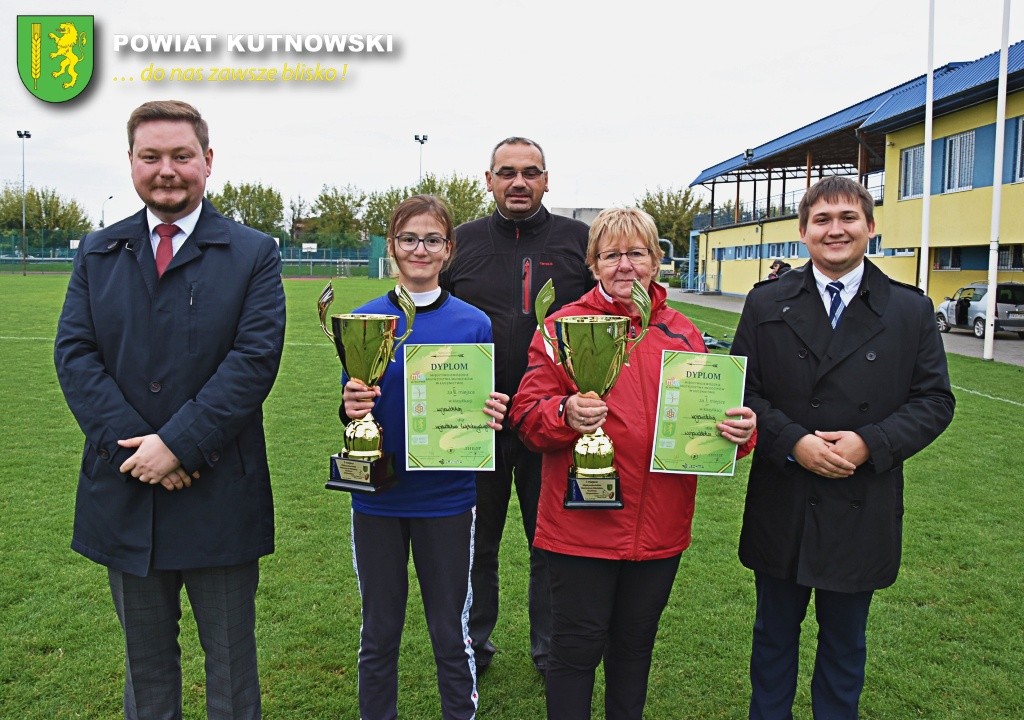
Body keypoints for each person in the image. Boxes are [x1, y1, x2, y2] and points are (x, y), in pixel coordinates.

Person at [53, 100, 285, 719]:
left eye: (181, 156)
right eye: (150, 156)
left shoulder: (253, 252)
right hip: (127, 493)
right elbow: (75, 355)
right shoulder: (98, 251)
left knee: (232, 674)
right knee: (146, 672)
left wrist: (179, 444)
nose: (167, 170)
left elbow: (254, 360)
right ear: (130, 163)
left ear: (207, 161)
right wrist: (143, 447)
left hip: (219, 498)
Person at [509, 207, 757, 719]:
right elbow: (527, 416)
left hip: (660, 526)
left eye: (637, 253)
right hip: (581, 525)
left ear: (657, 261)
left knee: (633, 649)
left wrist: (740, 434)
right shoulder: (563, 326)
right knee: (575, 651)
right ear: (594, 264)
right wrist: (564, 412)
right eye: (611, 254)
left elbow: (706, 422)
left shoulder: (683, 333)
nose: (625, 265)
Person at [730, 176, 955, 720]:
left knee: (845, 647)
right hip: (783, 499)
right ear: (803, 232)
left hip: (863, 504)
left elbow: (934, 401)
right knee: (773, 641)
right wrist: (793, 443)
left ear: (870, 228)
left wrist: (869, 443)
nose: (836, 230)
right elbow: (742, 389)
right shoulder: (766, 304)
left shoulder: (910, 311)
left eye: (848, 218)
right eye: (823, 220)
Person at [341, 195, 510, 720]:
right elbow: (351, 413)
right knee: (380, 631)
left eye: (432, 239)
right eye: (409, 238)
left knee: (448, 630)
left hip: (448, 499)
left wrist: (490, 411)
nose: (420, 248)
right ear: (392, 246)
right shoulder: (365, 319)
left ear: (449, 250)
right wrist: (349, 408)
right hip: (379, 499)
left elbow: (479, 406)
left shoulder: (473, 324)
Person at [439, 136, 594, 675]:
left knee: (550, 542)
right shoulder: (461, 243)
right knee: (474, 544)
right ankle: (473, 644)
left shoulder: (579, 241)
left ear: (547, 179)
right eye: (506, 172)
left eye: (530, 172)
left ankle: (550, 648)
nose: (519, 182)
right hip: (476, 422)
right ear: (488, 180)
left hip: (553, 422)